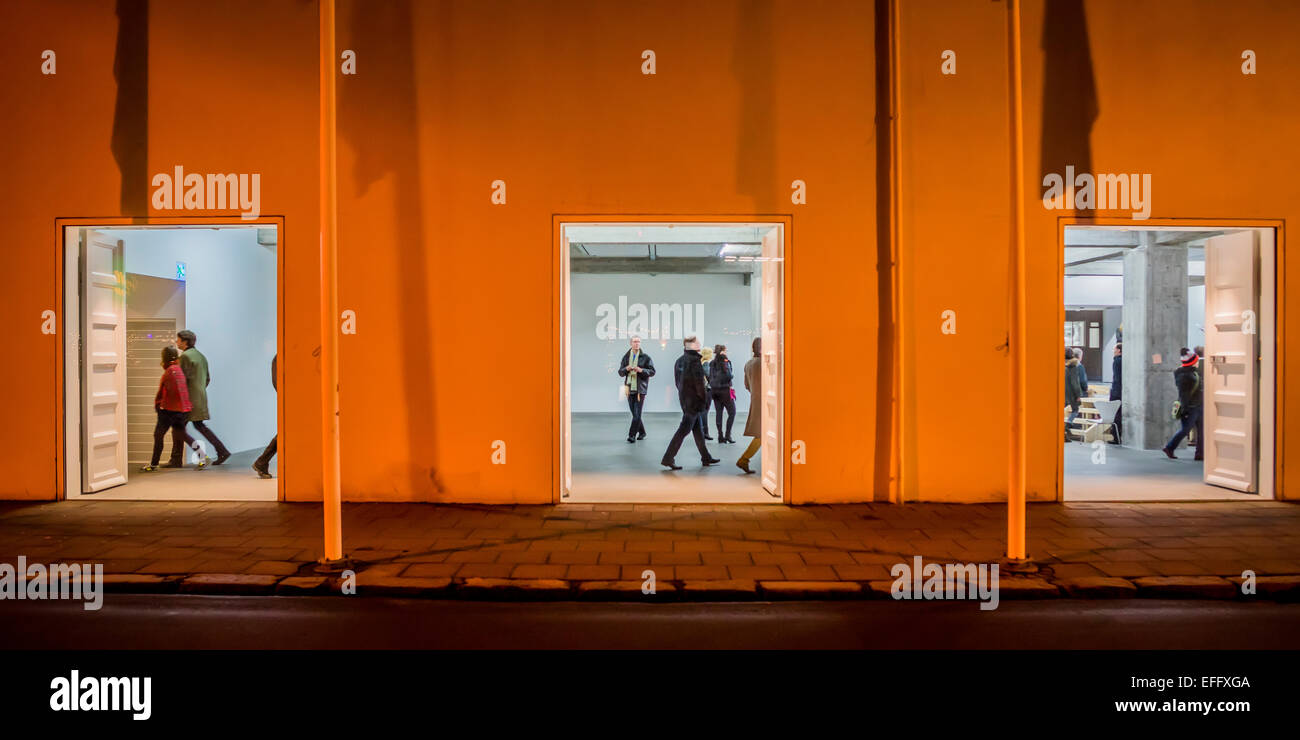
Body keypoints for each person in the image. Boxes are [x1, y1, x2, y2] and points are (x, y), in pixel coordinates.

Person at [661, 336, 720, 470]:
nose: (699, 344)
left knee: (698, 430)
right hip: (693, 403)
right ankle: (668, 458)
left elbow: (679, 383)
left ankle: (706, 457)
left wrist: (686, 397)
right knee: (683, 430)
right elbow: (698, 384)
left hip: (688, 401)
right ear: (691, 345)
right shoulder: (693, 361)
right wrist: (703, 400)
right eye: (696, 342)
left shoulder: (683, 360)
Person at [141, 346, 204, 471]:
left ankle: (153, 464)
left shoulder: (170, 371)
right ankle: (202, 456)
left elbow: (171, 393)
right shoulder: (178, 369)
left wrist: (161, 407)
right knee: (182, 435)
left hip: (168, 411)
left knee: (158, 435)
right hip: (181, 410)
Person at [176, 330, 231, 466]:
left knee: (179, 429)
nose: (176, 342)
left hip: (188, 399)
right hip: (199, 397)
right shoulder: (201, 356)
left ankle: (180, 459)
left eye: (178, 340)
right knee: (198, 426)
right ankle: (221, 450)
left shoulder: (185, 357)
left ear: (185, 342)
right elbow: (207, 378)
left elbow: (180, 380)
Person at [1162, 347, 1204, 460]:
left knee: (1202, 431)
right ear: (1193, 361)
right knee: (1185, 430)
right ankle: (1170, 447)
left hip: (1199, 405)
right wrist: (1185, 410)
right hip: (1190, 407)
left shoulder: (1193, 373)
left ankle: (1200, 453)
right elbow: (1183, 394)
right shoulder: (1184, 375)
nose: (1198, 362)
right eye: (1196, 360)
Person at [616, 336, 655, 443]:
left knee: (637, 413)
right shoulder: (626, 357)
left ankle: (631, 435)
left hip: (640, 389)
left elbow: (652, 372)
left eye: (638, 341)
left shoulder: (646, 357)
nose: (637, 343)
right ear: (631, 343)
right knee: (635, 413)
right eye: (635, 341)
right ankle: (642, 432)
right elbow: (620, 372)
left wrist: (641, 370)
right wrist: (626, 368)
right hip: (628, 388)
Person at [737, 337, 763, 473]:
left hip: (756, 400)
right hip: (766, 402)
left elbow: (747, 385)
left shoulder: (748, 364)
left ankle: (744, 459)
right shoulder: (763, 363)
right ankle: (744, 459)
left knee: (762, 433)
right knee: (762, 434)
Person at [252, 354, 278, 479]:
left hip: (292, 396)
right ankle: (261, 461)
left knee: (287, 432)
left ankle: (262, 461)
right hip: (293, 397)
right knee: (287, 432)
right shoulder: (283, 356)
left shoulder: (281, 356)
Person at [709, 343, 736, 443]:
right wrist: (732, 376)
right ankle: (728, 435)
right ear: (722, 351)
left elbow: (709, 376)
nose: (726, 352)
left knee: (718, 413)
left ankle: (720, 436)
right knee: (732, 412)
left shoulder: (712, 363)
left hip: (715, 391)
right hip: (725, 390)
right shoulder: (725, 361)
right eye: (725, 350)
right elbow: (729, 375)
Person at [1065, 348, 1083, 442]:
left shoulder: (1061, 364)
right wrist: (1078, 395)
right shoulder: (1073, 366)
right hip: (1071, 393)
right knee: (1075, 409)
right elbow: (1075, 382)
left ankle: (1065, 432)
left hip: (1062, 392)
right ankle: (1067, 426)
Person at [1108, 342, 1123, 444]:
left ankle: (1115, 436)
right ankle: (1117, 435)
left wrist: (1114, 391)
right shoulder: (1123, 360)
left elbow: (1117, 378)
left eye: (1114, 349)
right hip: (1120, 390)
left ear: (1119, 350)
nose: (1113, 351)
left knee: (1115, 414)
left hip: (1116, 391)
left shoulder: (1117, 361)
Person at [700, 346, 715, 440]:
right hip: (707, 390)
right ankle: (705, 432)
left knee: (703, 411)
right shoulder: (706, 364)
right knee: (705, 411)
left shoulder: (701, 363)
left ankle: (703, 432)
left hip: (702, 389)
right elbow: (709, 376)